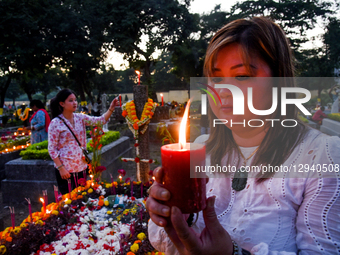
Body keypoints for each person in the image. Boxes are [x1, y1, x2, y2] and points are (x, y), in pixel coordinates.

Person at [146, 17, 340, 254]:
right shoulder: (200, 150)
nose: (223, 92)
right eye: (216, 78)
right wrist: (178, 215)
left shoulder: (320, 156)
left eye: (242, 76)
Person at [48, 89, 118, 194]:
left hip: (81, 166)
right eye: (70, 100)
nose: (75, 103)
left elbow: (100, 121)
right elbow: (52, 148)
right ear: (62, 104)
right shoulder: (55, 123)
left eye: (75, 100)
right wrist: (61, 168)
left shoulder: (80, 118)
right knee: (68, 200)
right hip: (66, 169)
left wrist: (111, 108)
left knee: (82, 197)